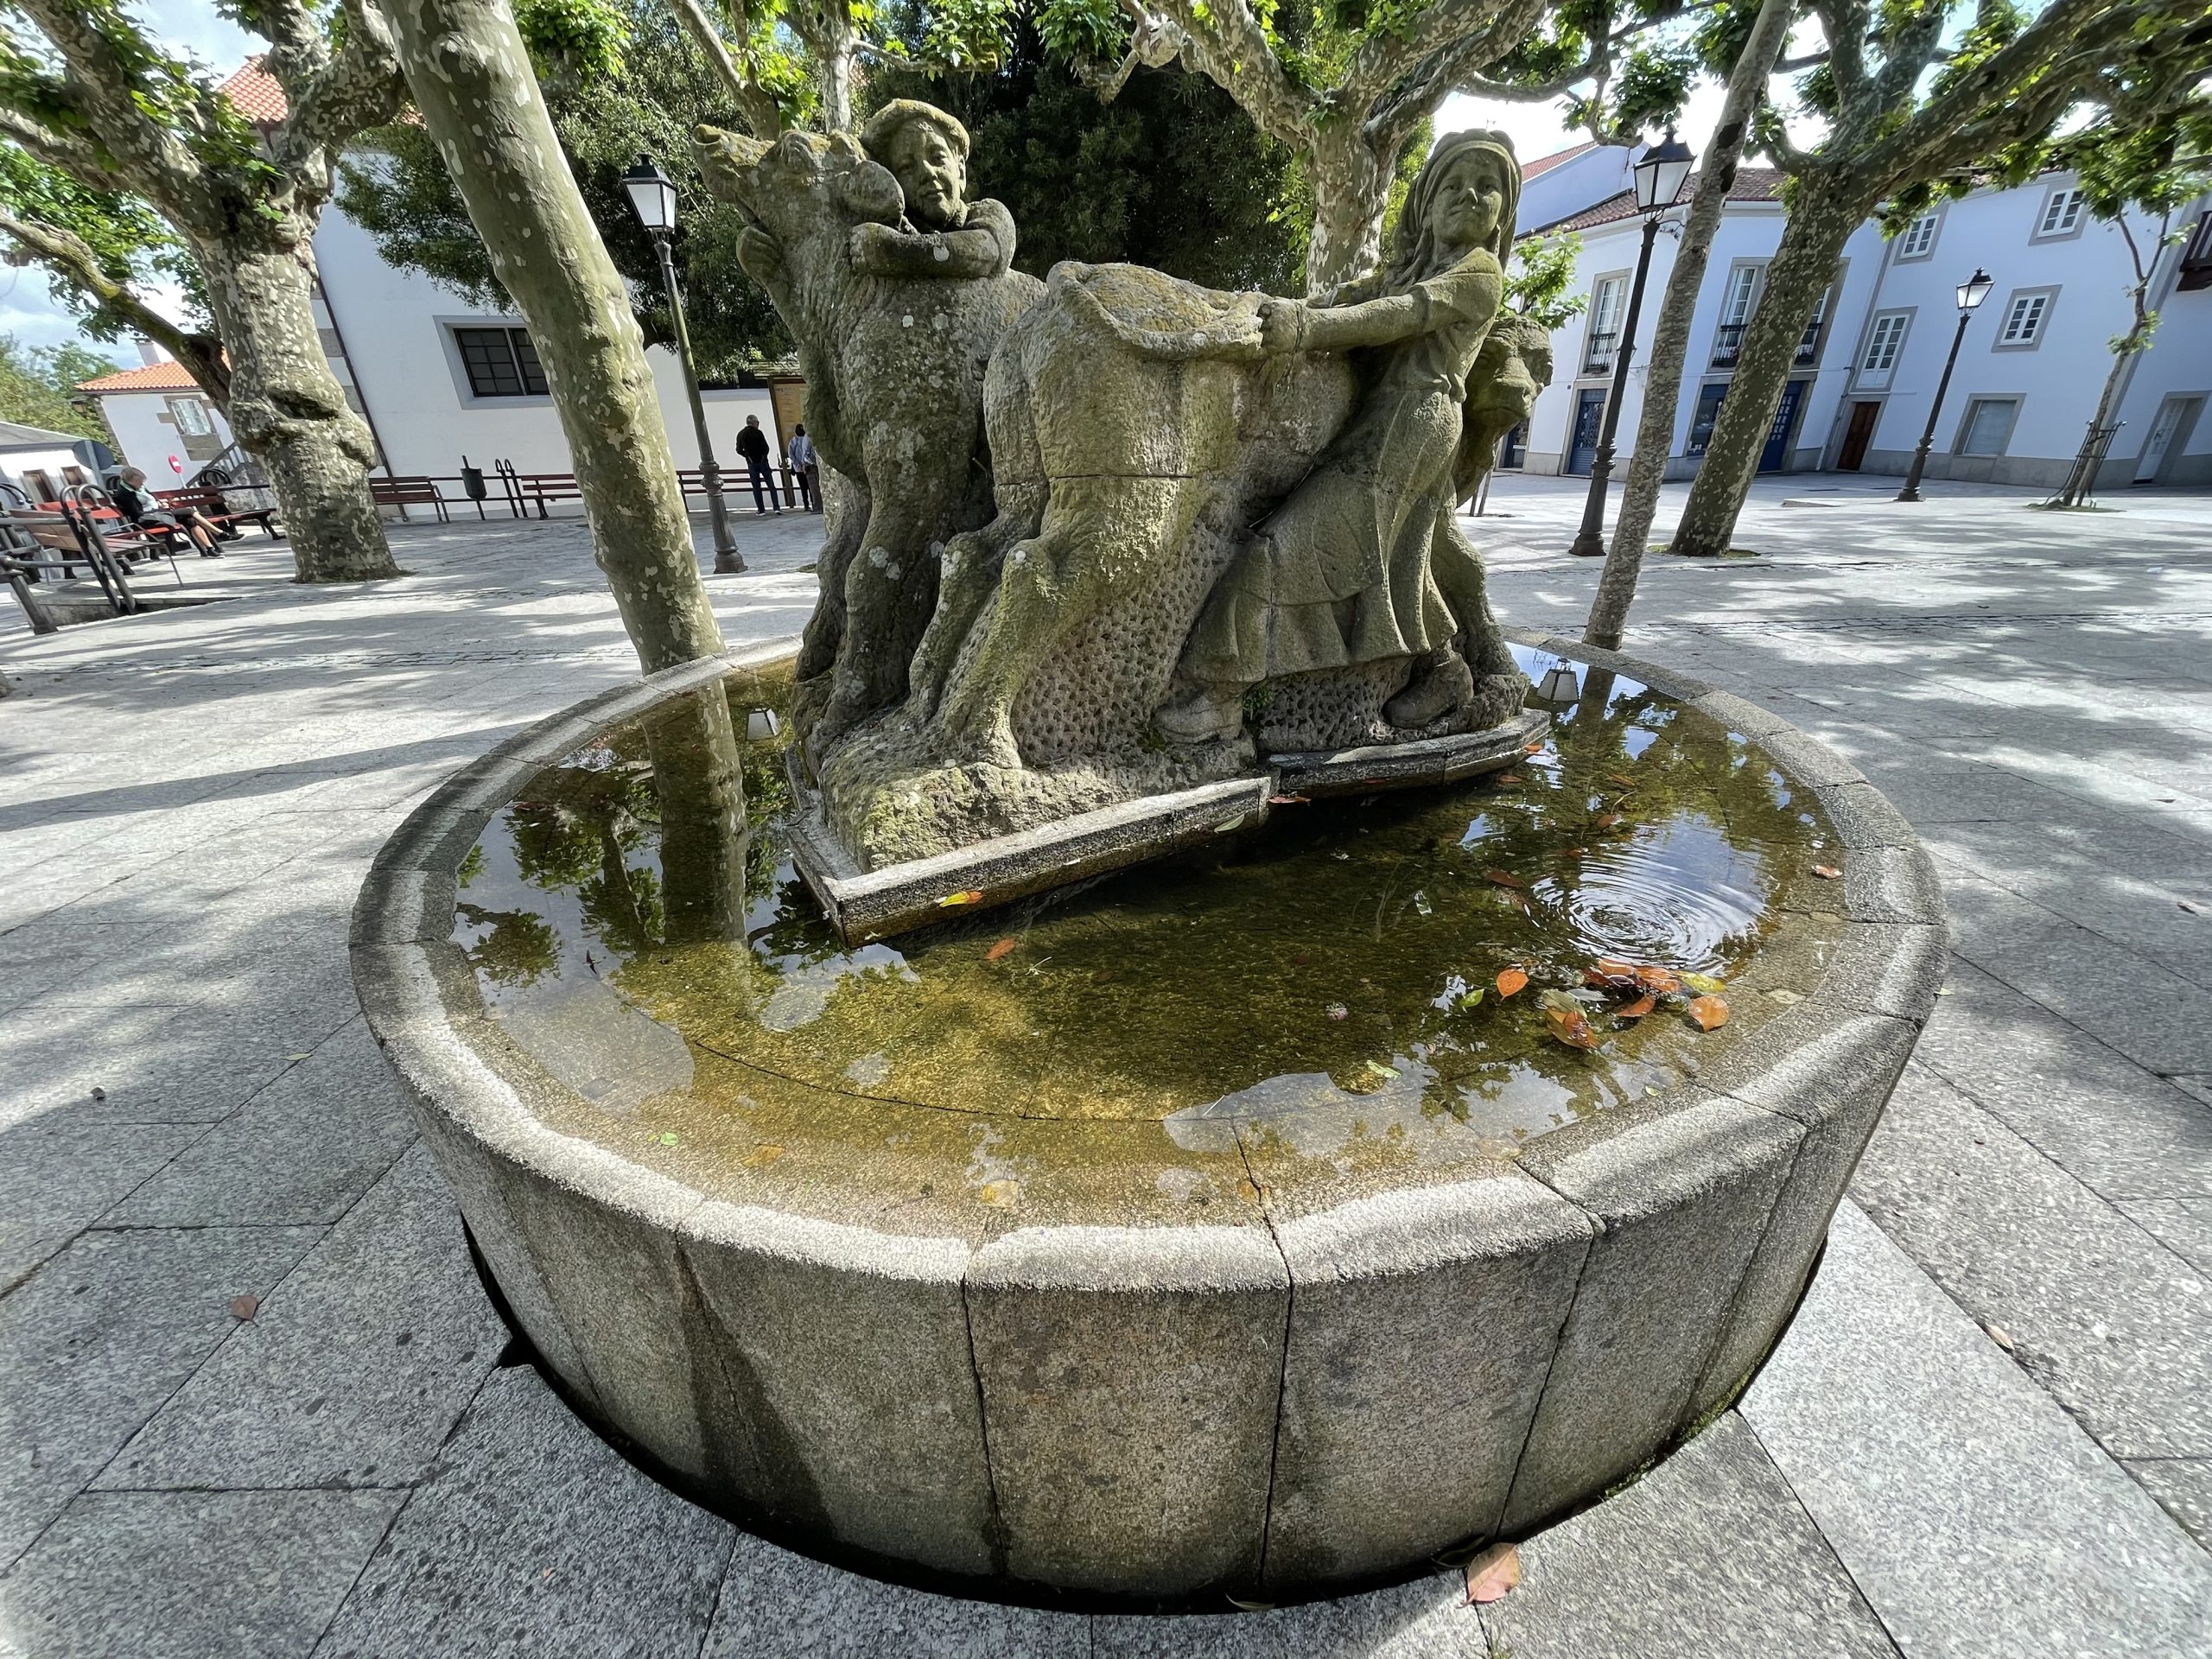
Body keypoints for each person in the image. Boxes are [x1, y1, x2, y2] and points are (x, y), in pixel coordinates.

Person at [1159, 130, 1524, 742]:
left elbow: (1401, 314)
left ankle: (1220, 696)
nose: (1470, 196)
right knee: (1401, 556)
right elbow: (1348, 298)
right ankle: (1443, 668)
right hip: (1387, 420)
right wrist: (1280, 310)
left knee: (1286, 546)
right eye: (1453, 186)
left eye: (1487, 187)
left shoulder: (1478, 274)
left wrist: (1304, 329)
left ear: (1503, 216)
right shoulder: (1409, 267)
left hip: (1415, 421)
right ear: (1426, 207)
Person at [107, 467, 228, 556]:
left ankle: (210, 549)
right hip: (146, 519)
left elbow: (151, 500)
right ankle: (220, 534)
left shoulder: (140, 488)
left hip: (157, 514)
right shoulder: (125, 493)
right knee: (190, 511)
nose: (143, 483)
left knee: (191, 520)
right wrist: (157, 510)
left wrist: (160, 504)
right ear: (131, 480)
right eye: (140, 481)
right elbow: (136, 513)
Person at [735, 415, 781, 514]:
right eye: (757, 423)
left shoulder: (741, 434)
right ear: (754, 423)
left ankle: (761, 510)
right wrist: (763, 457)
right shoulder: (759, 433)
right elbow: (766, 448)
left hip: (752, 464)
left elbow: (738, 450)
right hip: (763, 463)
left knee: (756, 487)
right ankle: (776, 507)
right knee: (771, 486)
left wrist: (747, 456)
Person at [787, 424, 818, 512]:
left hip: (802, 467)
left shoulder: (795, 440)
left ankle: (810, 503)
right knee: (807, 487)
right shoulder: (796, 441)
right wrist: (799, 464)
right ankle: (807, 504)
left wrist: (798, 465)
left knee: (806, 487)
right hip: (803, 467)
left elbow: (791, 454)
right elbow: (791, 455)